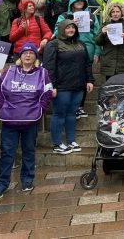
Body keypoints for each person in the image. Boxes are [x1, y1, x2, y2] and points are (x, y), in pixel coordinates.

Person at [0, 43, 53, 199]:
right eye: (25, 53)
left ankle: (27, 180)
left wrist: (40, 108)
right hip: (9, 120)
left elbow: (47, 93)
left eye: (31, 53)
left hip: (30, 120)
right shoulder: (7, 73)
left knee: (29, 151)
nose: (28, 55)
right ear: (20, 56)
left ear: (35, 56)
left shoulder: (43, 73)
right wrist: (1, 107)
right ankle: (1, 184)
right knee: (7, 154)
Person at [43, 19, 94, 154]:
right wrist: (51, 86)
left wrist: (89, 80)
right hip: (61, 87)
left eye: (73, 28)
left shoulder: (81, 44)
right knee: (59, 114)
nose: (71, 30)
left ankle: (71, 140)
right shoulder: (53, 45)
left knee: (72, 114)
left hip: (78, 86)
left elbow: (87, 64)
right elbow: (49, 67)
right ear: (62, 29)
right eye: (68, 28)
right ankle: (57, 143)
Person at [96, 2, 124, 81]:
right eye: (113, 12)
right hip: (109, 63)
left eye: (117, 12)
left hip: (123, 63)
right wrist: (102, 34)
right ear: (110, 13)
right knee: (110, 89)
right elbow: (98, 42)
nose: (115, 14)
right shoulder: (105, 25)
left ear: (122, 12)